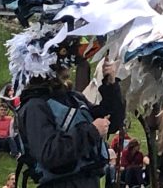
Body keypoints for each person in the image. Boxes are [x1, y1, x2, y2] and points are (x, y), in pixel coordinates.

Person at [17, 58, 125, 188]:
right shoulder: (35, 107)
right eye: (62, 60)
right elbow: (49, 153)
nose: (68, 64)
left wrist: (110, 84)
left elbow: (112, 122)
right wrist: (91, 131)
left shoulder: (74, 98)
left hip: (89, 181)